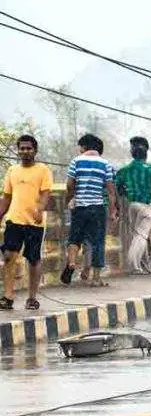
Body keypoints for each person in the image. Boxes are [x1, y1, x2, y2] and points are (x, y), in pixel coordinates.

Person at [0, 135, 53, 310]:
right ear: (18, 151)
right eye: (22, 148)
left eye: (28, 148)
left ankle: (32, 298)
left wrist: (40, 209)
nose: (25, 151)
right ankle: (8, 297)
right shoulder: (12, 170)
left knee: (33, 259)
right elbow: (6, 197)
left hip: (34, 223)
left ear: (35, 150)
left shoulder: (43, 170)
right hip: (14, 220)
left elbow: (45, 193)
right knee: (8, 257)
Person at [61, 133, 117, 287]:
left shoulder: (76, 161)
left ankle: (72, 262)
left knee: (74, 237)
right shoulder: (106, 164)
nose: (80, 150)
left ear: (85, 146)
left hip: (80, 207)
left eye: (81, 147)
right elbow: (111, 191)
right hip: (97, 208)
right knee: (98, 242)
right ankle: (96, 278)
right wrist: (112, 211)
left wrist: (69, 200)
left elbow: (69, 185)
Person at [115, 137, 151, 274]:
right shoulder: (150, 168)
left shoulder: (125, 169)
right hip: (146, 204)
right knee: (142, 235)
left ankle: (141, 265)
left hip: (132, 204)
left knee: (136, 234)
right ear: (145, 156)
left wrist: (123, 194)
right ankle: (133, 265)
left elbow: (117, 185)